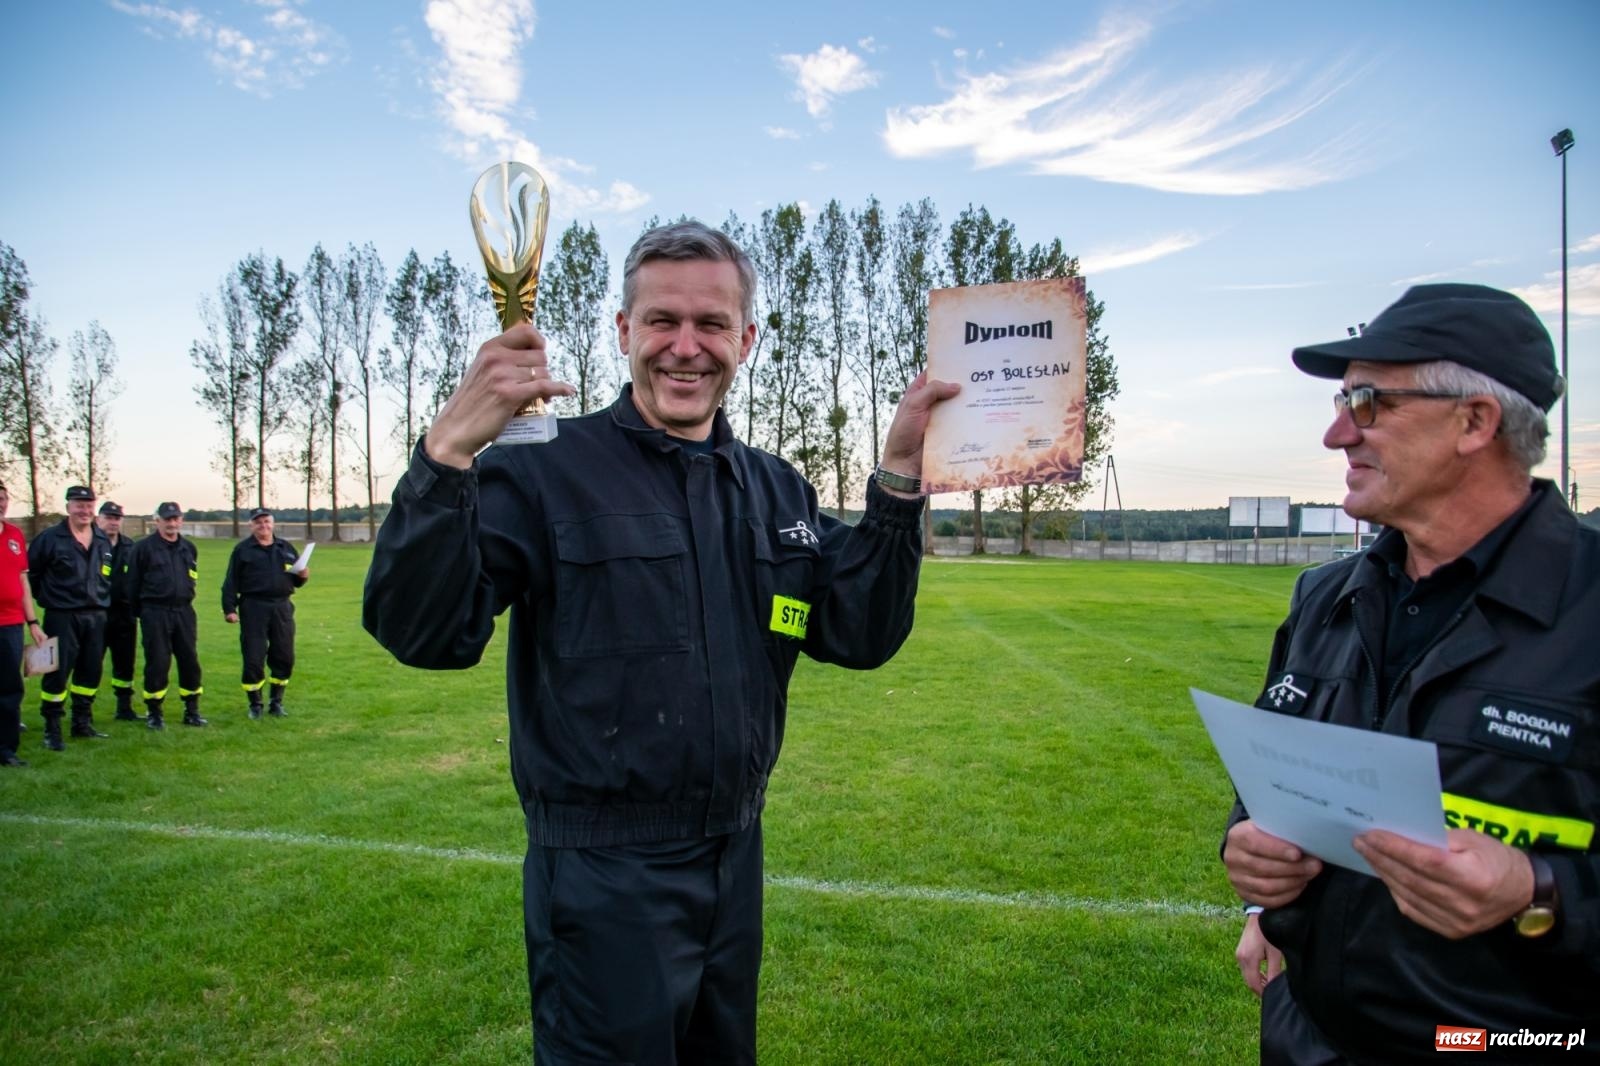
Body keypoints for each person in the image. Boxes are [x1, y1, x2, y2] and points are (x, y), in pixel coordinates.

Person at [363, 220, 958, 1065]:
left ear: (745, 339)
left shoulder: (773, 488)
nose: (687, 347)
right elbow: (424, 632)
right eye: (662, 322)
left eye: (712, 325)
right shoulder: (541, 469)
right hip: (604, 879)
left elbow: (857, 631)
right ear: (623, 333)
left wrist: (898, 479)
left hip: (734, 858)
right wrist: (449, 450)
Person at [1223, 284, 1598, 1063]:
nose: (1336, 435)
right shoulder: (1325, 597)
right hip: (1308, 1037)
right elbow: (1274, 779)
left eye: (1367, 402)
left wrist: (1538, 892)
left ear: (1475, 421)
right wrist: (1251, 853)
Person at [27, 484, 114, 750]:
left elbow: (107, 575)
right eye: (79, 505)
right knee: (57, 672)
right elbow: (32, 576)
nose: (84, 510)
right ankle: (52, 729)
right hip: (62, 616)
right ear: (68, 507)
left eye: (89, 506)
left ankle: (81, 723)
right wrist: (50, 601)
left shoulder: (101, 539)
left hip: (96, 615)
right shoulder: (50, 538)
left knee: (90, 671)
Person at [221, 507, 307, 718]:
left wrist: (304, 575)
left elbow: (297, 580)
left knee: (284, 656)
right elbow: (230, 582)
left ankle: (276, 702)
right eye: (258, 522)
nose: (263, 526)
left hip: (282, 608)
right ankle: (255, 704)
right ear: (251, 525)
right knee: (253, 657)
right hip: (254, 607)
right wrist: (229, 609)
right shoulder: (242, 550)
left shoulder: (285, 548)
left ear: (273, 523)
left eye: (267, 521)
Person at [127, 502, 204, 729]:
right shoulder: (143, 548)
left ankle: (191, 710)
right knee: (158, 662)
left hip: (184, 612)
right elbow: (132, 585)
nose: (171, 524)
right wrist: (141, 613)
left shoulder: (188, 548)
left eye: (175, 519)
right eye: (167, 519)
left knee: (190, 660)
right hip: (155, 612)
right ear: (157, 521)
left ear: (181, 520)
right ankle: (154, 712)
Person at [0, 480, 45, 766]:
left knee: (9, 687)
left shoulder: (15, 535)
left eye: (3, 498)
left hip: (11, 624)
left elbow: (22, 582)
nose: (1, 503)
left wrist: (33, 622)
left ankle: (6, 749)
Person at [96, 499, 142, 721]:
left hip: (124, 613)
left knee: (125, 661)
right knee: (91, 660)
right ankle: (83, 712)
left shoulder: (129, 546)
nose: (113, 522)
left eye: (117, 518)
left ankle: (124, 707)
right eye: (109, 518)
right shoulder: (90, 543)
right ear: (99, 519)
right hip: (96, 612)